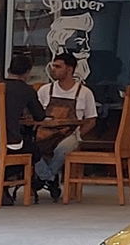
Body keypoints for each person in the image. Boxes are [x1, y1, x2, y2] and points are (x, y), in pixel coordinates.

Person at [34, 52, 98, 201]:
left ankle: (43, 178)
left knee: (62, 149)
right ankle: (49, 178)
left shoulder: (84, 92)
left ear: (70, 69)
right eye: (53, 66)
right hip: (44, 133)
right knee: (31, 146)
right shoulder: (45, 90)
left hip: (70, 134)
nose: (53, 69)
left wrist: (78, 135)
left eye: (57, 66)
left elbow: (91, 120)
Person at [1, 54, 45, 202]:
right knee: (34, 150)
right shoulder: (26, 90)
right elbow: (39, 115)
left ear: (9, 69)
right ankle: (1, 184)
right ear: (27, 72)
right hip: (10, 142)